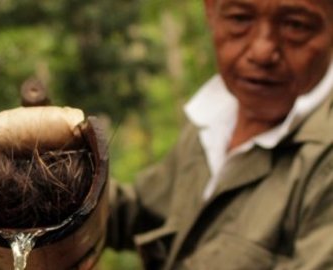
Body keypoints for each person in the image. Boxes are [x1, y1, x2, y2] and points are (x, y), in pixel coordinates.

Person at [105, 0, 333, 269]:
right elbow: (137, 212)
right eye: (239, 19)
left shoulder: (322, 161)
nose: (261, 51)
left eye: (295, 26)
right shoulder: (215, 119)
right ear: (211, 13)